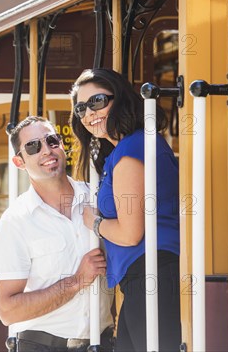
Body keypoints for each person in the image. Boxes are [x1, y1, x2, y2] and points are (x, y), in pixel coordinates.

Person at [70, 68, 181, 351]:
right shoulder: (123, 149)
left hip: (152, 274)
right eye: (81, 108)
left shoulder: (132, 150)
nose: (88, 113)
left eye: (96, 102)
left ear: (118, 98)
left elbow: (131, 234)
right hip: (141, 278)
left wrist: (93, 222)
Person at [0, 116, 113, 352]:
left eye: (51, 141)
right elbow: (8, 311)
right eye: (33, 147)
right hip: (41, 346)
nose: (46, 151)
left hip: (103, 343)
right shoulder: (15, 221)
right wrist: (76, 281)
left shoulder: (97, 199)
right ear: (19, 162)